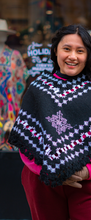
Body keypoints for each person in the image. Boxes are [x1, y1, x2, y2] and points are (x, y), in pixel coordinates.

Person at [8, 24, 91, 220]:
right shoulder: (38, 89)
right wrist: (51, 170)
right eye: (67, 49)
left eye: (80, 51)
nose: (72, 56)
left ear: (88, 55)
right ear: (56, 50)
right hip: (45, 181)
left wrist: (85, 171)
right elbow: (26, 141)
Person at [0, 19, 29, 150]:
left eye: (2, 33)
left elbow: (22, 78)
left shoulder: (15, 56)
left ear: (6, 35)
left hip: (9, 104)